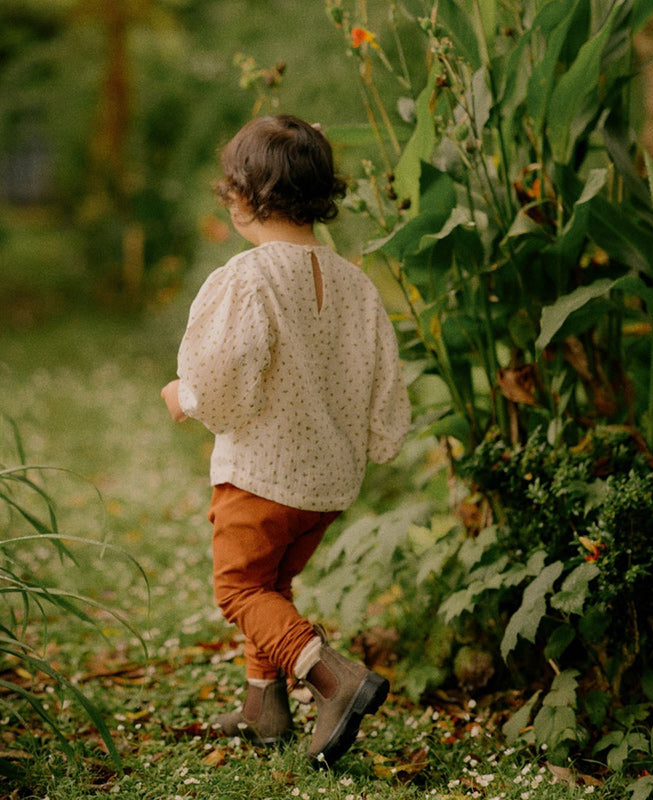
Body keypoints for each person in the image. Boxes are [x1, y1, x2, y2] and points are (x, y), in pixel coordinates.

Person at [161, 114, 411, 768]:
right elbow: (384, 376)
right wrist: (382, 438)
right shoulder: (355, 285)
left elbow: (221, 372)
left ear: (243, 195)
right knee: (273, 588)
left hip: (261, 478)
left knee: (241, 592)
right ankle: (262, 710)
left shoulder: (250, 277)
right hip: (326, 485)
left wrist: (185, 396)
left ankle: (333, 678)